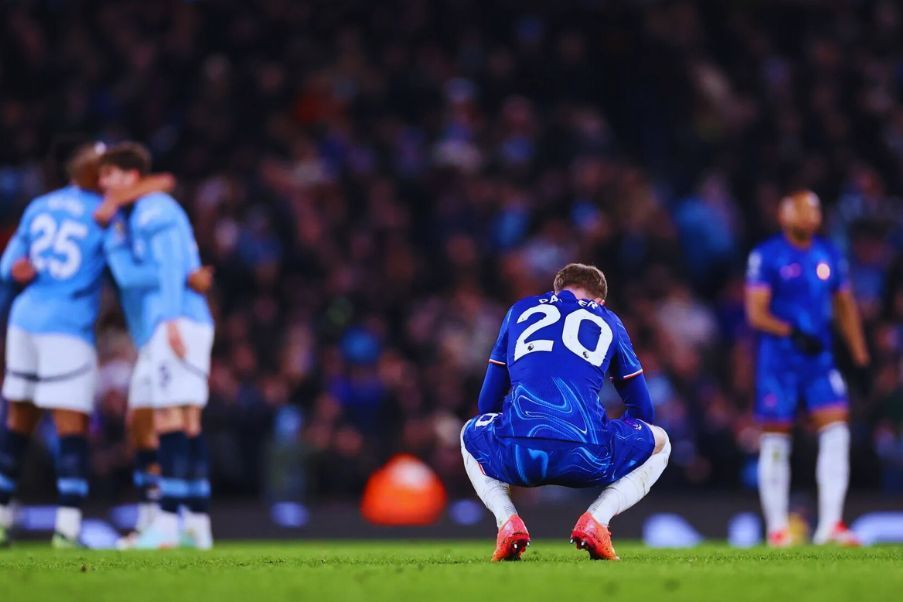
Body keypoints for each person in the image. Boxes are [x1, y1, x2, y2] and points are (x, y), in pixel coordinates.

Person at [0, 140, 171, 548]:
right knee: (71, 429)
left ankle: (2, 515)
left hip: (24, 323)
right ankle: (68, 527)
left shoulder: (39, 206)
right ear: (99, 177)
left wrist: (22, 273)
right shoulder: (103, 217)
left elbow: (8, 268)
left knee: (17, 425)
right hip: (67, 327)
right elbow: (126, 273)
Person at [461, 263, 670, 561]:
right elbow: (643, 410)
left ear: (558, 289)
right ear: (600, 300)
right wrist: (616, 434)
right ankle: (597, 520)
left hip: (518, 457)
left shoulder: (519, 311)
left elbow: (487, 404)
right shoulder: (608, 319)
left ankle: (507, 521)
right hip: (587, 456)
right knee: (661, 442)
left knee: (469, 432)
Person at [98, 143, 215, 550]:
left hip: (173, 321)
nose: (103, 183)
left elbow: (161, 268)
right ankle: (195, 523)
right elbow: (169, 269)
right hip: (166, 324)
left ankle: (167, 523)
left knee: (169, 417)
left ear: (130, 176)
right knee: (173, 419)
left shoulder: (153, 211)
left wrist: (170, 320)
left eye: (109, 174)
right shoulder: (142, 212)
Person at [745, 190, 870, 547]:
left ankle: (830, 524)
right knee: (775, 437)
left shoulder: (829, 253)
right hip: (779, 361)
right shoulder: (767, 255)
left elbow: (845, 306)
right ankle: (776, 529)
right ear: (785, 215)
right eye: (803, 208)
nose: (811, 213)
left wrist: (860, 357)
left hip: (819, 360)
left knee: (837, 431)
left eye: (815, 207)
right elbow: (756, 313)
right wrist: (792, 332)